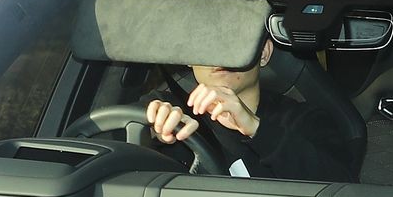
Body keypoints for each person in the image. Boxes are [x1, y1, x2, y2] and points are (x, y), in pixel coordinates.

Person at [144, 39, 357, 182]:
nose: (219, 53)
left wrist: (258, 129)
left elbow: (344, 192)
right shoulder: (166, 107)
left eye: (234, 40)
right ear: (189, 57)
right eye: (206, 41)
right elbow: (115, 145)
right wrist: (152, 133)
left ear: (263, 53)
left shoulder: (305, 121)